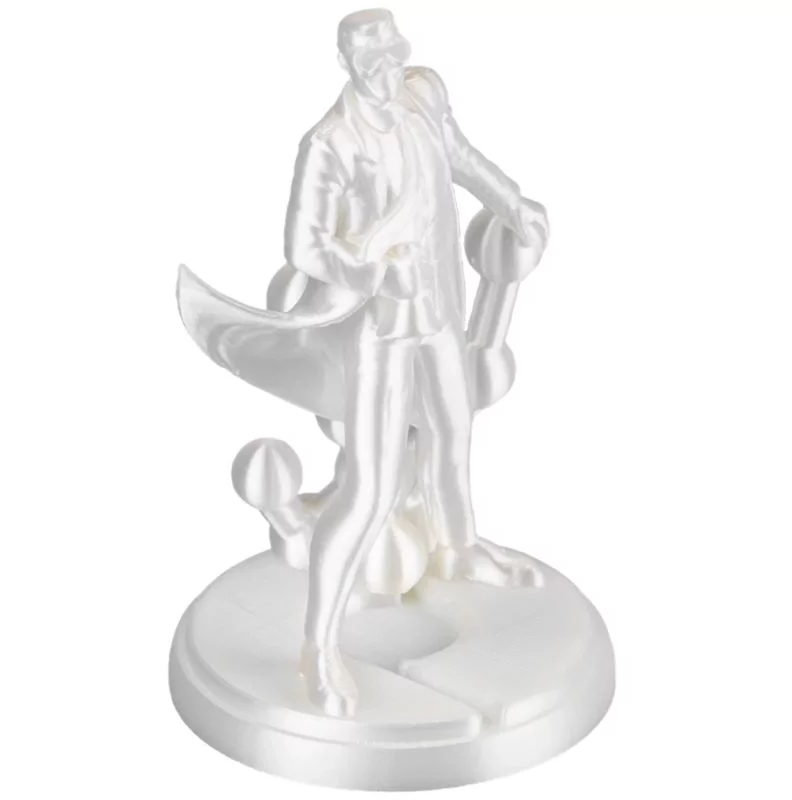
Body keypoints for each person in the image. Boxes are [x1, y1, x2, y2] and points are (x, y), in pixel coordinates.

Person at [285, 8, 550, 716]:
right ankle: (318, 647)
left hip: (438, 312)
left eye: (393, 53)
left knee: (454, 432)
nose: (387, 69)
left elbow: (458, 154)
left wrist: (511, 201)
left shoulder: (423, 94)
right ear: (347, 64)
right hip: (379, 328)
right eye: (371, 60)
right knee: (369, 490)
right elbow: (305, 246)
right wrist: (374, 268)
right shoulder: (330, 143)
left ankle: (458, 547)